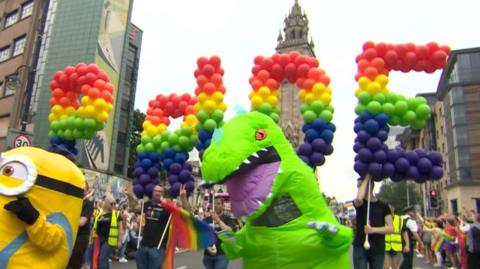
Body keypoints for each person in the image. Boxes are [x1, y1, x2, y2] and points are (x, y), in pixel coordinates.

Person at [134, 184, 190, 269]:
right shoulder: (147, 204)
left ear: (163, 193)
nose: (158, 193)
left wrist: (183, 198)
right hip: (143, 246)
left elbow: (187, 213)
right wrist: (129, 195)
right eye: (156, 191)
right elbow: (134, 208)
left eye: (160, 191)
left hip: (158, 248)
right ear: (152, 192)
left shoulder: (168, 206)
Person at [353, 176, 394, 269]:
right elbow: (359, 198)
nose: (358, 189)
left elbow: (391, 228)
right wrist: (367, 177)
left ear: (370, 186)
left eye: (360, 186)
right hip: (360, 246)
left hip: (378, 248)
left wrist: (373, 230)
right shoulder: (359, 203)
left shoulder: (383, 206)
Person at [202, 197, 237, 269]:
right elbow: (201, 235)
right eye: (214, 203)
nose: (216, 205)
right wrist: (207, 247)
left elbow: (230, 232)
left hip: (222, 254)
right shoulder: (207, 220)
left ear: (223, 206)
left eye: (218, 203)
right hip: (208, 255)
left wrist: (218, 221)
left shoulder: (228, 219)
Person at [92, 195, 124, 269]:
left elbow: (120, 228)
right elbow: (95, 227)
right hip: (99, 239)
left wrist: (119, 241)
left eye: (114, 203)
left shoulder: (116, 214)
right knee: (104, 259)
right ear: (106, 203)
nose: (113, 205)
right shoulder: (99, 214)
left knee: (102, 259)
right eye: (111, 203)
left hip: (109, 240)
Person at [67, 185, 95, 269]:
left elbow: (82, 222)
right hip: (70, 236)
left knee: (75, 263)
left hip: (80, 238)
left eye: (83, 188)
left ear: (86, 191)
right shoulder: (73, 201)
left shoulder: (88, 203)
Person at [384, 203, 409, 269]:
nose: (390, 208)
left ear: (394, 208)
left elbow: (404, 232)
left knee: (395, 267)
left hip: (397, 247)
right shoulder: (382, 219)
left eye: (391, 207)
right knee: (386, 266)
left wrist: (407, 245)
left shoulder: (400, 219)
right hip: (385, 246)